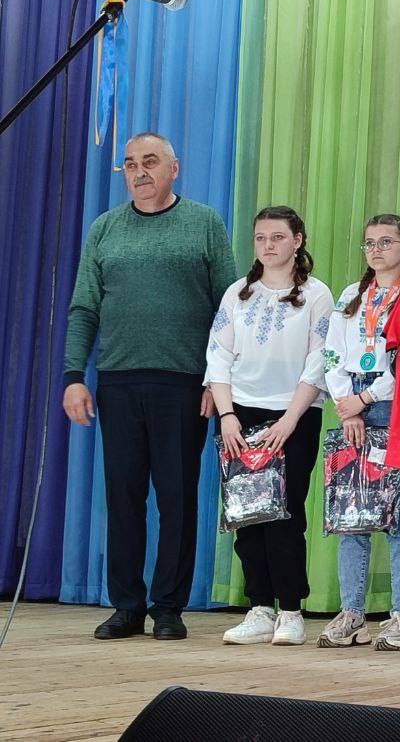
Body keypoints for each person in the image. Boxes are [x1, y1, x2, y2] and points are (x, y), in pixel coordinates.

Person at [63, 132, 237, 641]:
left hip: (183, 384)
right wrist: (74, 377)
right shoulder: (104, 228)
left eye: (150, 161)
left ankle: (168, 607)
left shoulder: (204, 223)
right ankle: (126, 606)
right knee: (122, 497)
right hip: (118, 382)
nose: (139, 172)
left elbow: (228, 310)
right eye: (130, 164)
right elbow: (83, 308)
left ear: (173, 169)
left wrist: (216, 380)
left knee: (176, 497)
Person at [207, 206, 333, 646]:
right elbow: (218, 355)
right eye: (260, 237)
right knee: (246, 515)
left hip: (294, 416)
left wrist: (290, 420)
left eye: (277, 237)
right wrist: (226, 416)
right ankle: (259, 608)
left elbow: (318, 360)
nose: (268, 245)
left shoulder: (317, 294)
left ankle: (291, 611)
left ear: (297, 240)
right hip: (240, 415)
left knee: (285, 513)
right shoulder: (237, 293)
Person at [317, 214, 400, 651]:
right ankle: (352, 613)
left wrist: (365, 399)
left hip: (396, 403)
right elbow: (332, 354)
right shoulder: (351, 295)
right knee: (351, 511)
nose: (376, 250)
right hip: (352, 406)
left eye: (386, 242)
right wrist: (348, 407)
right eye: (369, 243)